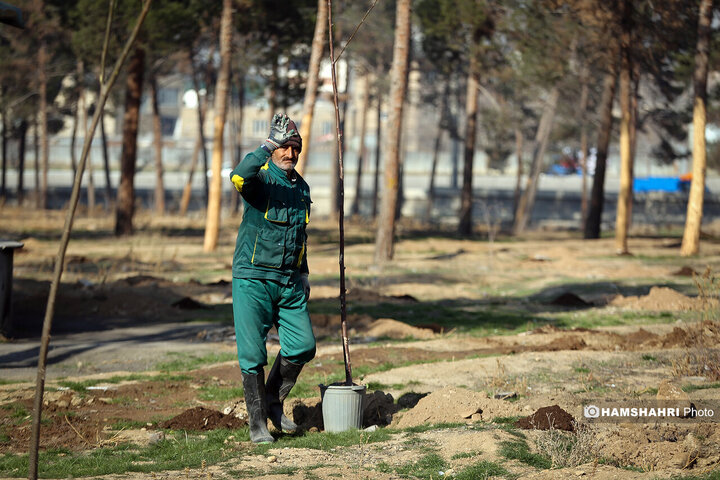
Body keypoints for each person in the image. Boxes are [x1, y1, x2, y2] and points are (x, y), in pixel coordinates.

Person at [229, 113, 315, 444]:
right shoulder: (260, 181)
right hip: (253, 278)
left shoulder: (302, 189)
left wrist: (303, 272)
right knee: (253, 353)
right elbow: (238, 176)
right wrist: (266, 146)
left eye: (295, 149)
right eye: (284, 148)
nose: (290, 155)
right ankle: (257, 424)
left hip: (289, 280)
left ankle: (273, 401)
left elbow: (299, 235)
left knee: (303, 344)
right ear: (274, 149)